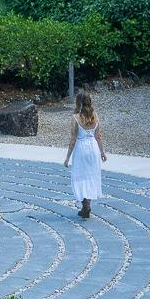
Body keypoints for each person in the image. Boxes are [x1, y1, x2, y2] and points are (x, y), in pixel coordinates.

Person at [64, 90, 106, 219]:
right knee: (91, 176)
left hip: (81, 149)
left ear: (78, 102)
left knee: (80, 176)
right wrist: (102, 152)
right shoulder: (95, 116)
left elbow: (73, 140)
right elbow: (98, 136)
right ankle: (87, 205)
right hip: (93, 148)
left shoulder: (75, 118)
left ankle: (85, 206)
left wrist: (67, 157)